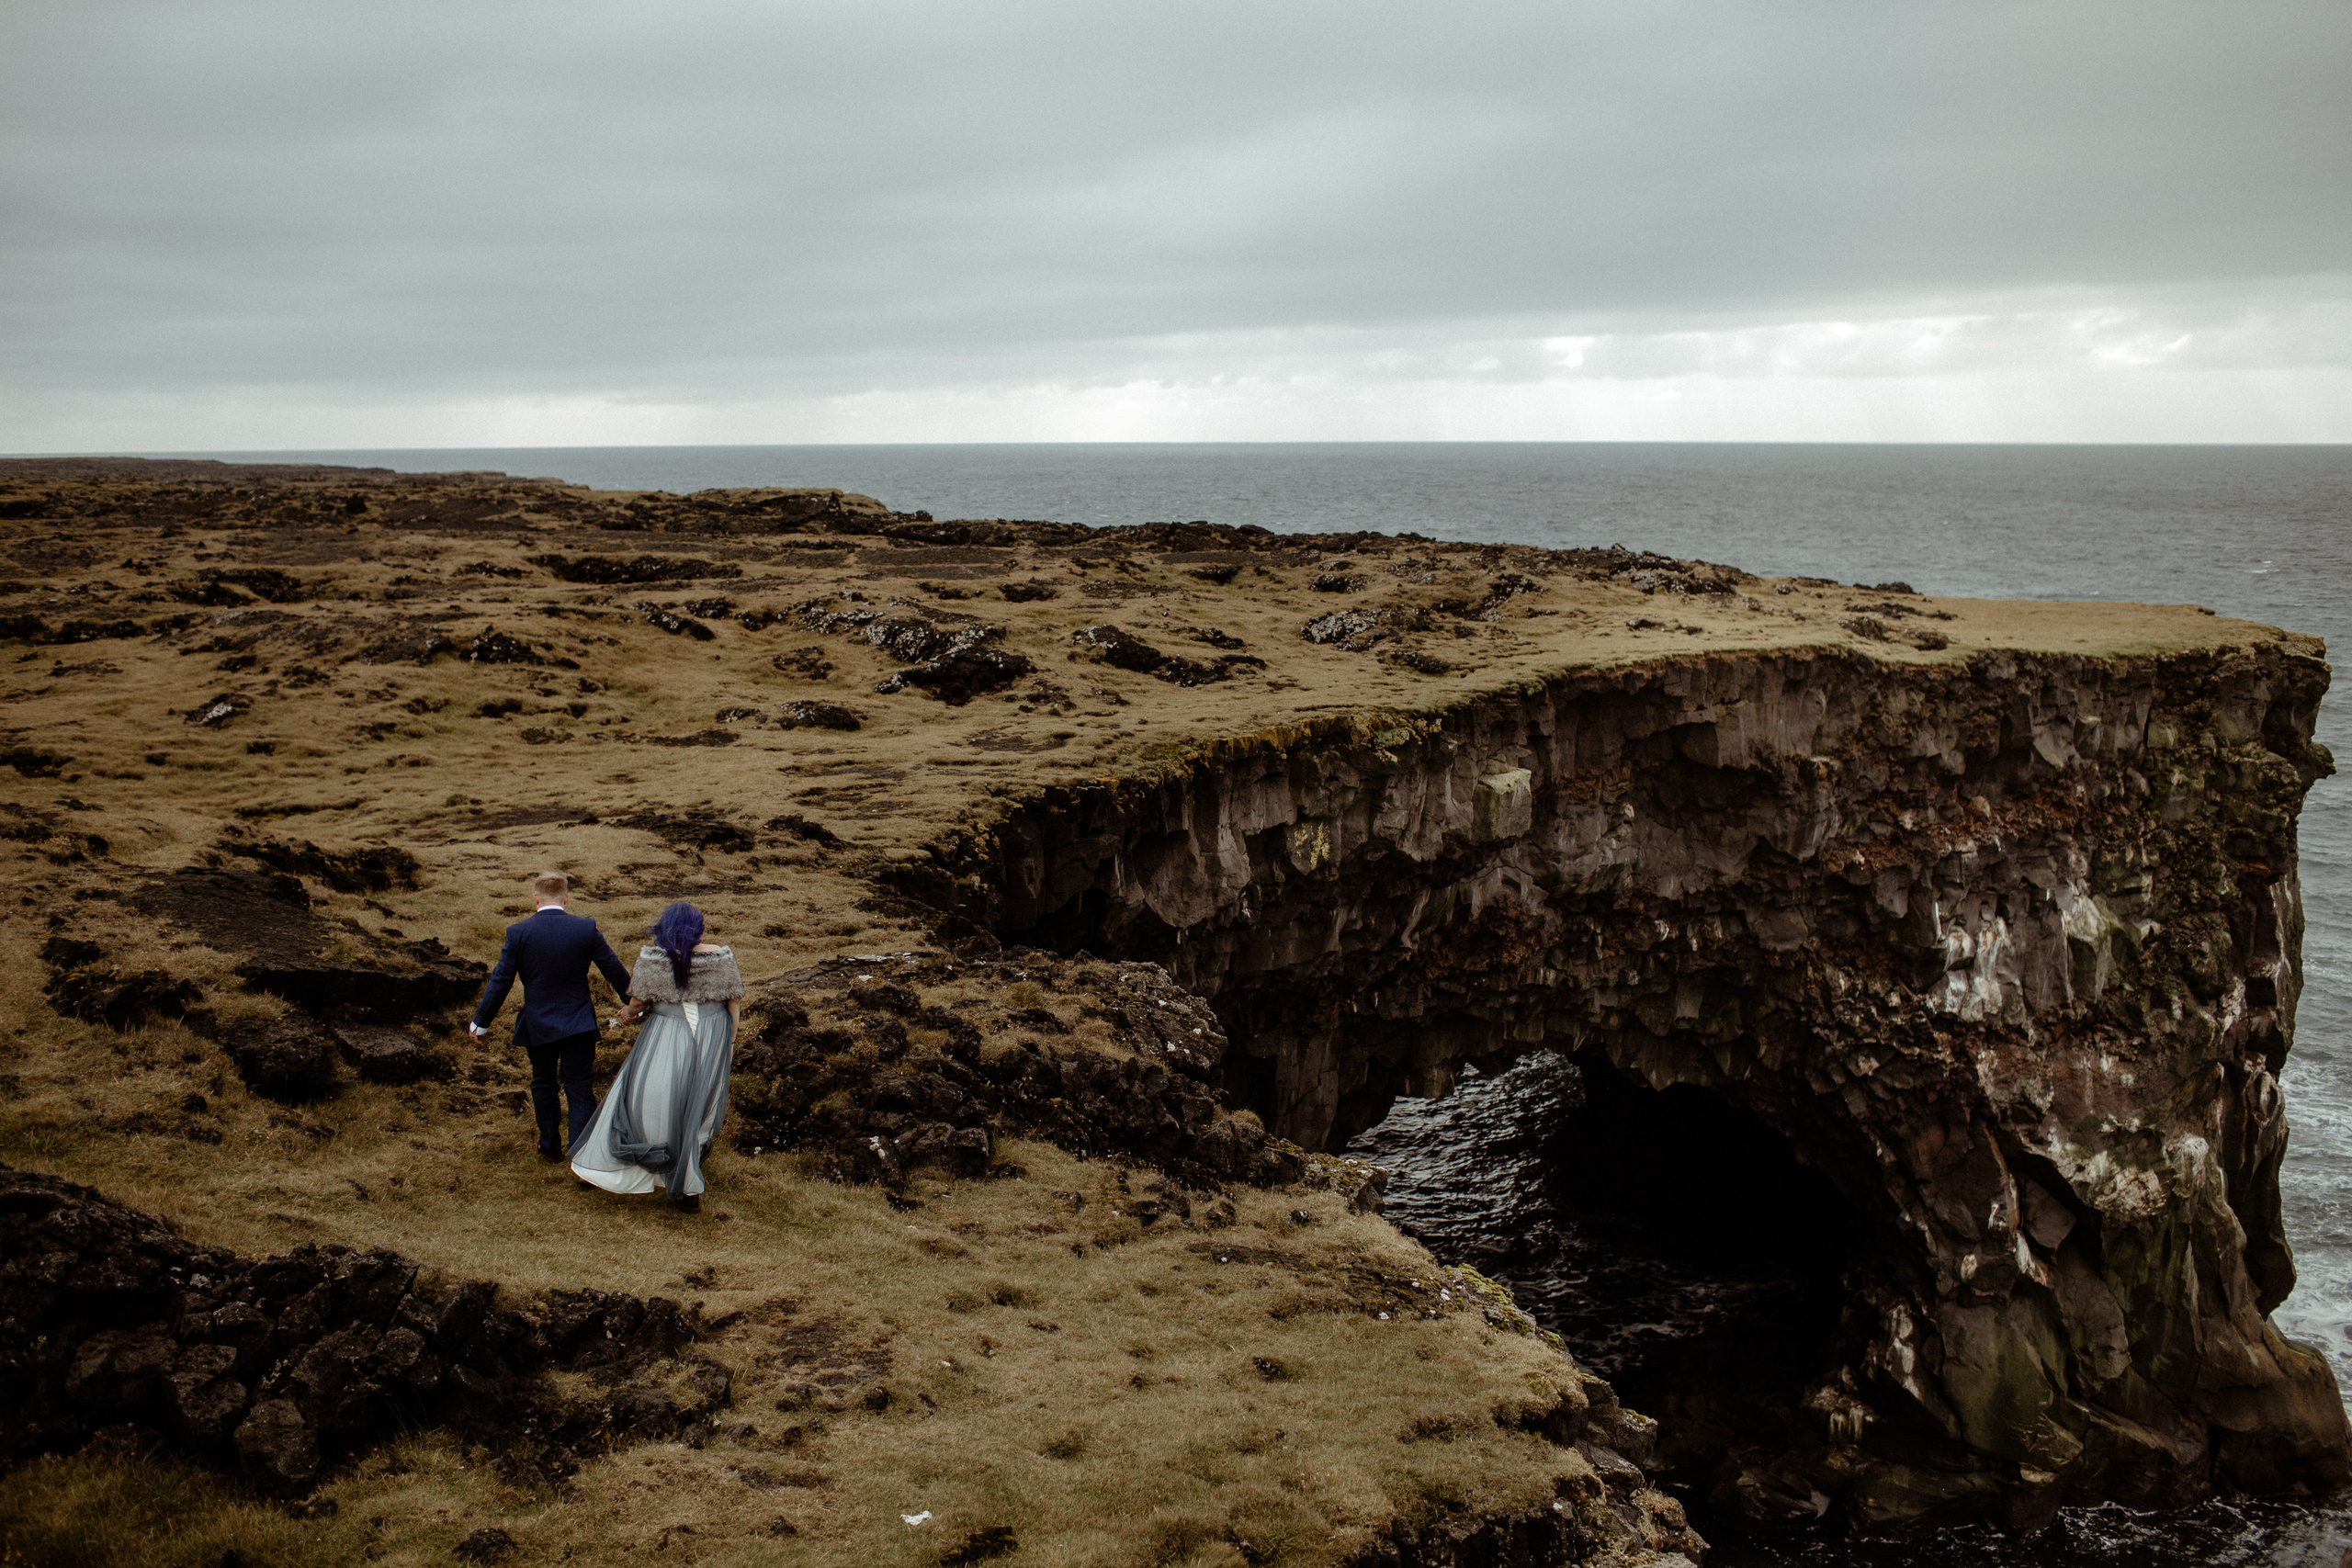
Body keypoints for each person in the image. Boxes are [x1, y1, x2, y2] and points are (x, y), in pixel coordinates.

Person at [571, 900, 743, 1214]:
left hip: (665, 1037)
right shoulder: (720, 956)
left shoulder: (654, 959)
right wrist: (729, 1042)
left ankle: (646, 1167)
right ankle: (685, 1180)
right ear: (699, 926)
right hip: (710, 1038)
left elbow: (637, 1004)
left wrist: (626, 1013)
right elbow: (733, 1004)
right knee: (698, 1104)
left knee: (646, 1097)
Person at [468, 872, 633, 1163]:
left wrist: (481, 1022)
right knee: (580, 1086)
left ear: (535, 898)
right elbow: (613, 970)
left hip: (538, 1024)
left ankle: (549, 1146)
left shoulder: (519, 933)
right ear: (566, 897)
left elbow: (501, 981)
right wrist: (633, 1004)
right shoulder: (585, 929)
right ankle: (582, 1156)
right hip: (579, 1024)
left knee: (543, 1083)